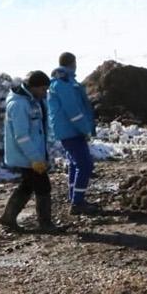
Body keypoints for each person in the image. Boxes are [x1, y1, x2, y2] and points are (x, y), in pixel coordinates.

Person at [0, 71, 65, 232]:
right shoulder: (19, 105)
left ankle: (8, 218)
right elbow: (22, 136)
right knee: (43, 187)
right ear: (33, 87)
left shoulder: (33, 101)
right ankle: (45, 224)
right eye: (43, 89)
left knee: (27, 186)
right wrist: (35, 158)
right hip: (26, 156)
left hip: (32, 154)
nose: (45, 93)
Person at [48, 52, 98, 216]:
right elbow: (73, 110)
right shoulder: (64, 83)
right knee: (85, 164)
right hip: (71, 130)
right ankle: (77, 202)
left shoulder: (63, 81)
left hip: (68, 130)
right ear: (73, 63)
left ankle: (74, 197)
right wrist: (85, 128)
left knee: (75, 164)